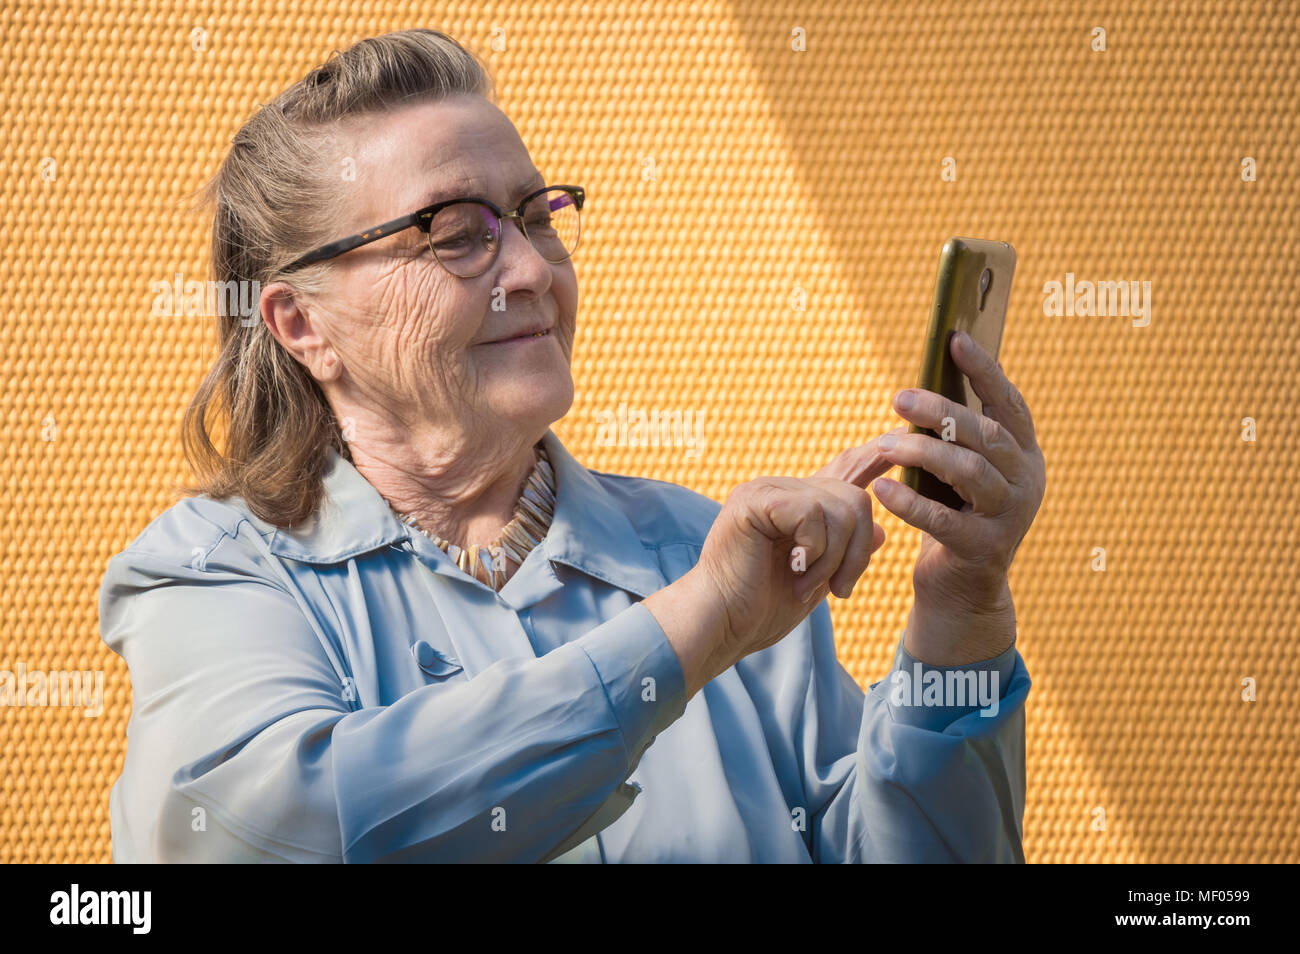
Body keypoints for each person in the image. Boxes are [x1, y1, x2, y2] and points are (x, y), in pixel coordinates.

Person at [99, 28, 1045, 862]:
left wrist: (961, 608)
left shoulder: (703, 546)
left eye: (536, 215)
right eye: (452, 233)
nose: (530, 269)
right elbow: (275, 837)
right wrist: (696, 629)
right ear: (303, 324)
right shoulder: (213, 575)